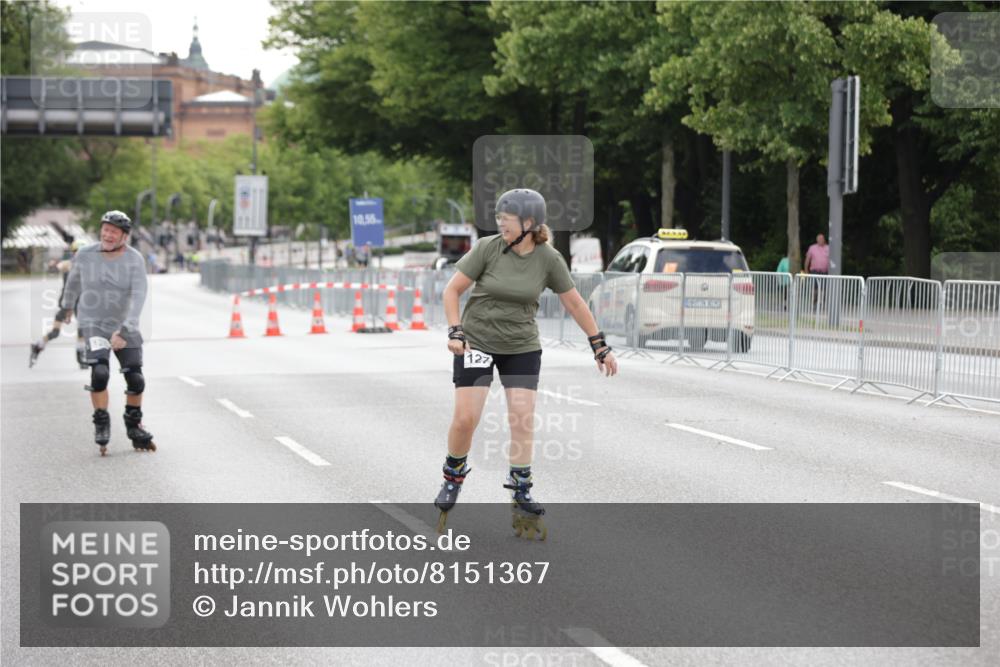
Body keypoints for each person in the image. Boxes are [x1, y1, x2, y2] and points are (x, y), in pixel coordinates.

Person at [434, 188, 618, 539]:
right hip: (478, 342)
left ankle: (521, 489)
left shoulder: (548, 259)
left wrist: (599, 345)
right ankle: (452, 476)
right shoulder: (488, 248)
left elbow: (575, 303)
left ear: (529, 224)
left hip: (521, 345)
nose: (500, 223)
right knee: (466, 417)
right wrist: (456, 330)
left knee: (521, 415)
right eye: (499, 217)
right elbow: (452, 290)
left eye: (507, 218)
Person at [61, 211, 156, 456]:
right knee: (100, 373)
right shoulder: (85, 255)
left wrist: (125, 330)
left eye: (114, 231)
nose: (108, 235)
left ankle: (134, 427)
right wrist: (67, 306)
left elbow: (138, 296)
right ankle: (101, 422)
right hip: (94, 323)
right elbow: (73, 282)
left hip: (125, 323)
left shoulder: (135, 260)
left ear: (125, 236)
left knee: (135, 378)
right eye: (105, 229)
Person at [29, 239, 89, 369]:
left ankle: (81, 357)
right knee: (55, 332)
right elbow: (60, 266)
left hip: (81, 302)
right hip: (66, 302)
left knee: (82, 329)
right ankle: (37, 346)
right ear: (73, 253)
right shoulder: (69, 264)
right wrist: (53, 265)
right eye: (77, 252)